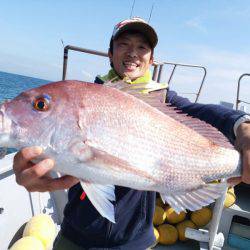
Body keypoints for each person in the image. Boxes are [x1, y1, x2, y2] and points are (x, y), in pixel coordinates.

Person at [13, 17, 250, 249]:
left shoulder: (164, 100)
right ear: (110, 53)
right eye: (124, 44)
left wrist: (244, 127)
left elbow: (204, 112)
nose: (133, 52)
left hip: (135, 241)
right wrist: (33, 168)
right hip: (75, 234)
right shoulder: (82, 97)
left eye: (142, 47)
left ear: (152, 59)